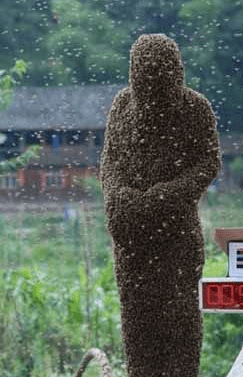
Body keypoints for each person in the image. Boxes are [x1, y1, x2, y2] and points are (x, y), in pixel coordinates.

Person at [100, 34, 220, 377]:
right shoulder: (122, 104)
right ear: (133, 75)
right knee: (138, 330)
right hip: (131, 240)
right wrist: (117, 197)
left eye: (160, 81)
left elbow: (209, 163)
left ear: (176, 74)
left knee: (180, 324)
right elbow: (109, 163)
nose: (152, 89)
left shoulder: (195, 108)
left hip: (176, 237)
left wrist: (163, 196)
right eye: (144, 80)